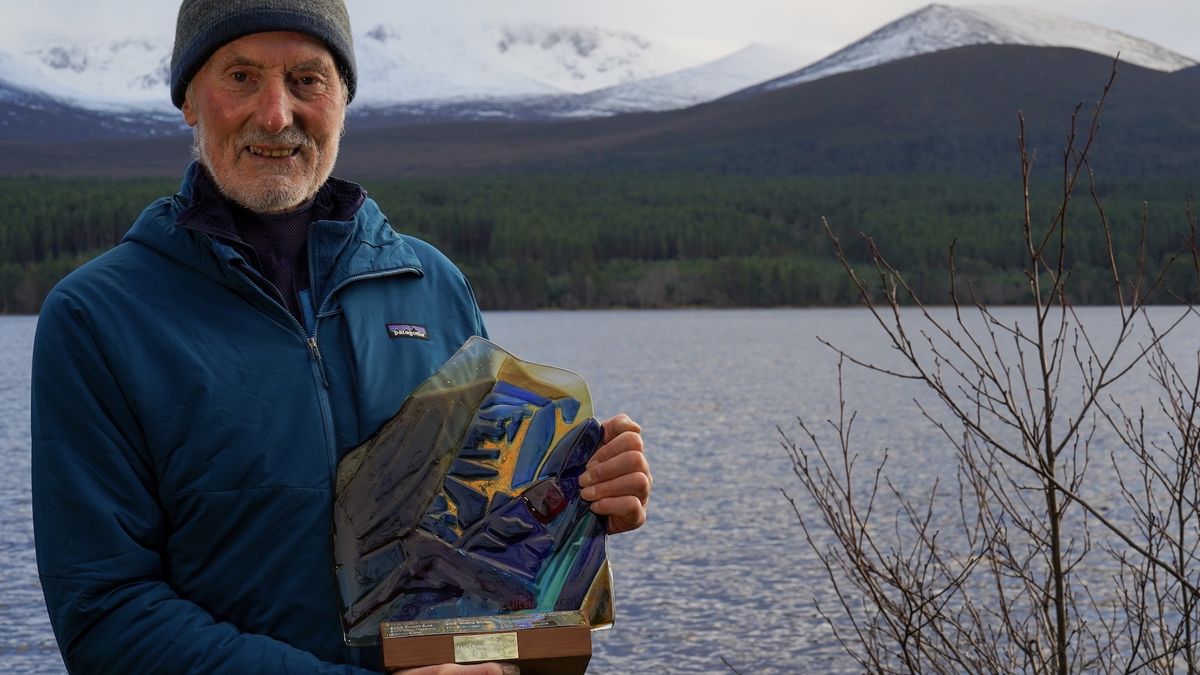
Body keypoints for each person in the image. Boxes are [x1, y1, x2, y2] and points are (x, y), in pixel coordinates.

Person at [29, 1, 652, 673]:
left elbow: (488, 565)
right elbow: (107, 619)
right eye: (240, 77)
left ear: (343, 99)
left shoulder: (432, 286)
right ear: (188, 100)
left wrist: (573, 516)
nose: (276, 114)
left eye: (308, 79)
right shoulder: (99, 318)